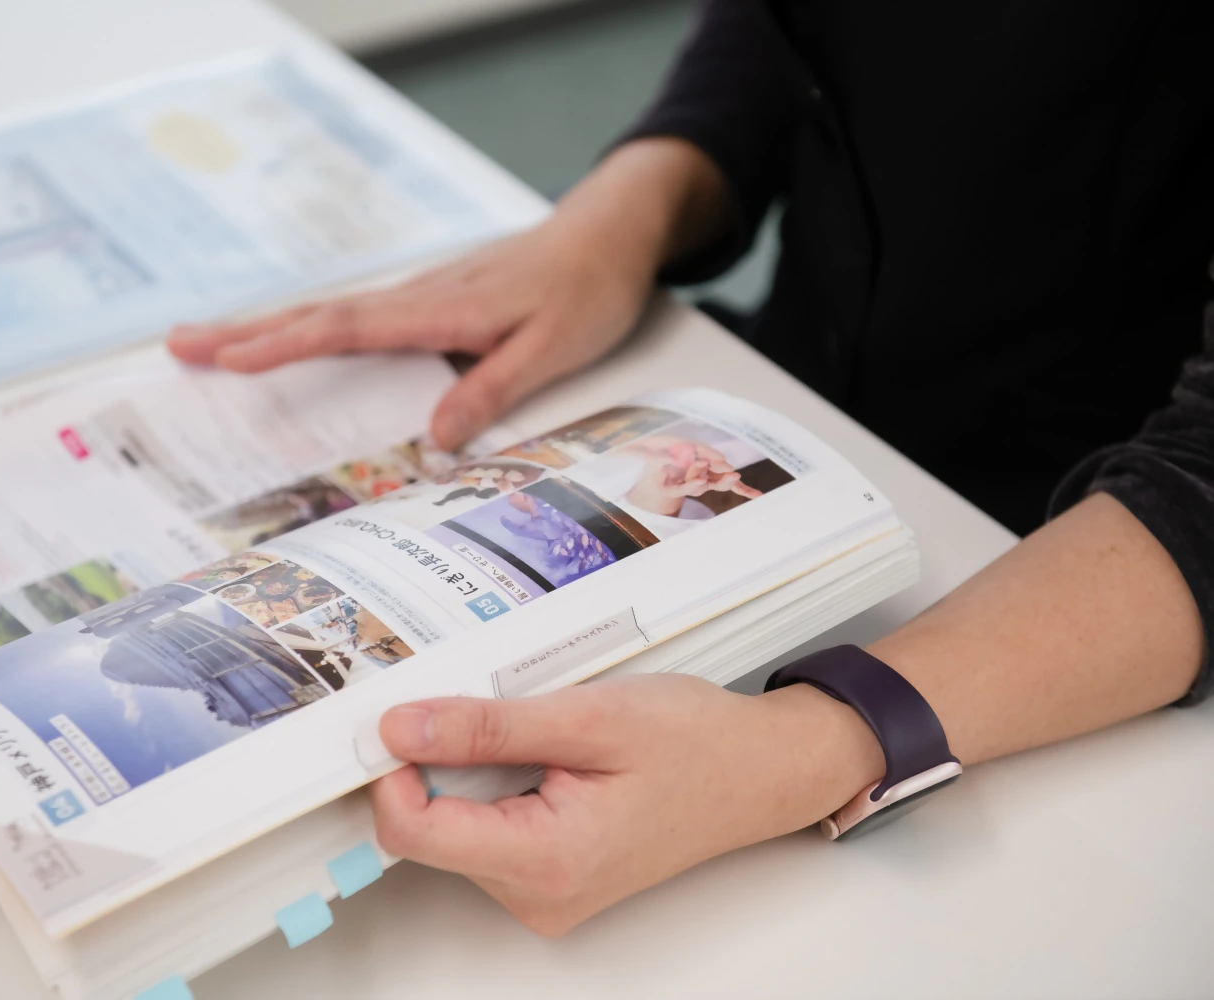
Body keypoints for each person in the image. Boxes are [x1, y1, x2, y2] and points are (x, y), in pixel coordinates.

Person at [165, 1, 1214, 935]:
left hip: (1078, 578)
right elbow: (789, 33)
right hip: (795, 406)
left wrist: (811, 744)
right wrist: (619, 221)